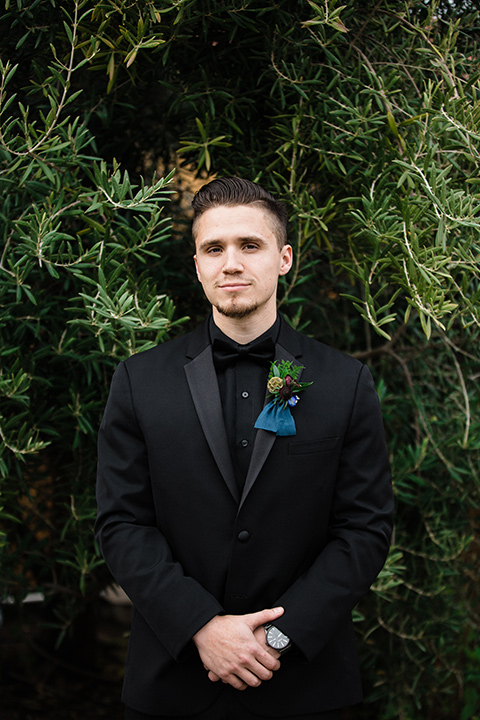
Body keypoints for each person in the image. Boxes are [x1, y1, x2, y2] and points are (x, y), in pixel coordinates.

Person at [95, 177, 394, 720]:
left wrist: (276, 640)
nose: (230, 262)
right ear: (197, 265)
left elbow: (365, 528)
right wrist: (202, 628)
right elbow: (122, 524)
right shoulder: (140, 381)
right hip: (173, 684)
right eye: (215, 248)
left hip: (305, 686)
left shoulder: (345, 382)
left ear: (282, 259)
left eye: (249, 245)